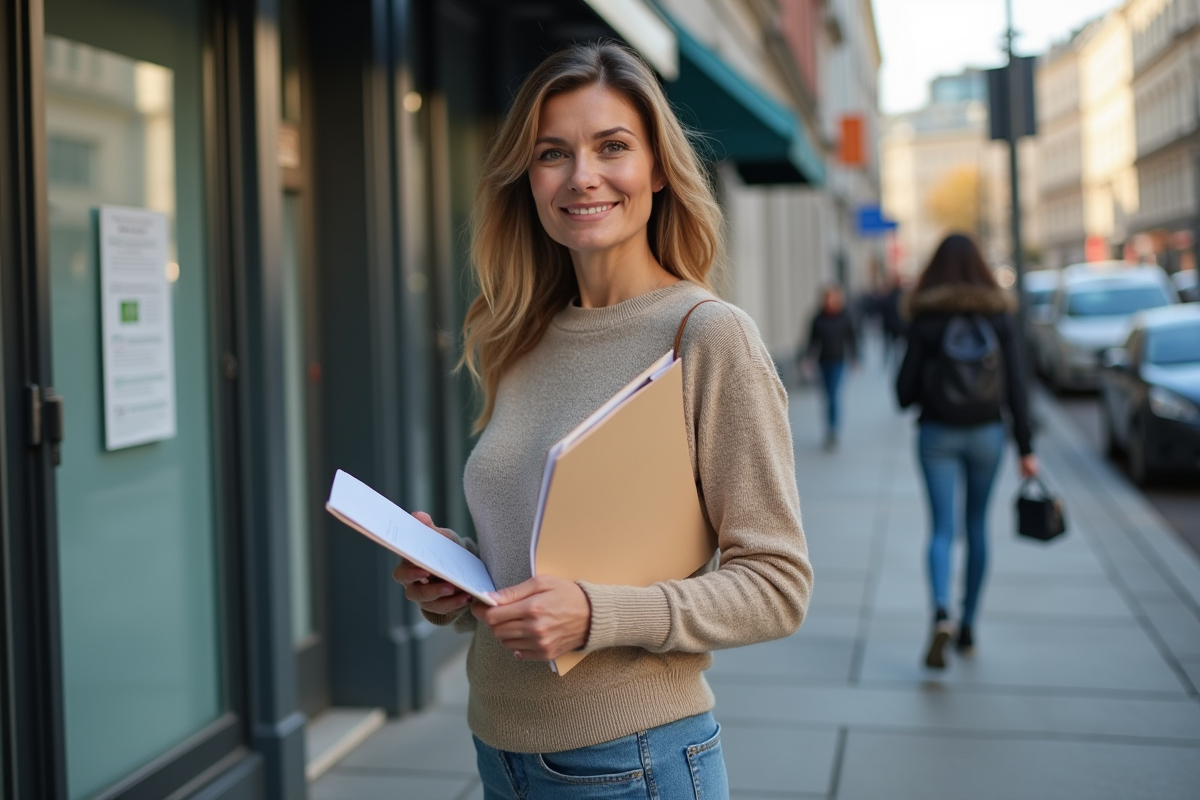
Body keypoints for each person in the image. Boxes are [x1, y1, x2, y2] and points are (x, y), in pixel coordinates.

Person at [391, 41, 812, 799]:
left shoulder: (707, 336)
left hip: (634, 760)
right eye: (553, 153)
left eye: (612, 146)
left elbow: (778, 585)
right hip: (501, 752)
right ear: (529, 178)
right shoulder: (522, 334)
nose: (581, 175)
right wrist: (460, 581)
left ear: (658, 168)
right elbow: (544, 561)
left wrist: (597, 614)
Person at [895, 233, 1038, 669]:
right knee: (977, 527)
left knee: (941, 530)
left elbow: (903, 394)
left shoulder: (926, 319)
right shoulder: (1000, 317)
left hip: (937, 435)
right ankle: (970, 626)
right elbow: (1017, 386)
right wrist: (1026, 447)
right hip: (987, 435)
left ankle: (941, 611)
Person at [801, 284, 857, 450]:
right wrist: (808, 359)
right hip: (823, 362)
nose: (830, 301)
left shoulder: (844, 317)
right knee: (826, 396)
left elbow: (851, 339)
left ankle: (833, 430)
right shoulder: (818, 319)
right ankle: (829, 426)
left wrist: (855, 358)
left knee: (833, 395)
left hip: (839, 362)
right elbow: (812, 341)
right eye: (828, 298)